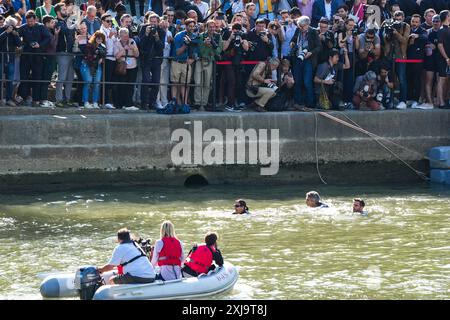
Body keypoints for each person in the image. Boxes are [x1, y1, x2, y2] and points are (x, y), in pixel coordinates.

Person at [17, 10, 51, 107]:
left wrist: (39, 45)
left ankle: (36, 99)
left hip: (37, 55)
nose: (30, 23)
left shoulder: (41, 27)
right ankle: (23, 97)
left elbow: (48, 38)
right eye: (28, 21)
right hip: (26, 55)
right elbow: (16, 36)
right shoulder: (23, 27)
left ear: (35, 19)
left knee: (37, 77)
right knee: (24, 77)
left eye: (31, 21)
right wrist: (21, 45)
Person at [290, 15, 322, 109]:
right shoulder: (298, 30)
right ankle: (298, 102)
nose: (300, 28)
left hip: (308, 60)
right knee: (297, 81)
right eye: (299, 26)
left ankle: (310, 103)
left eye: (302, 26)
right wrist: (292, 43)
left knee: (307, 82)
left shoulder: (313, 32)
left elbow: (319, 47)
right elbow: (293, 40)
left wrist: (311, 53)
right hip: (297, 58)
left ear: (308, 25)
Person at [193, 19, 222, 111]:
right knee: (198, 82)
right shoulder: (201, 36)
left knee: (207, 83)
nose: (212, 29)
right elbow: (198, 50)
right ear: (206, 27)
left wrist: (212, 45)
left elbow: (219, 50)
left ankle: (204, 102)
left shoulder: (218, 36)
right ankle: (197, 102)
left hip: (209, 61)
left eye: (214, 27)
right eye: (210, 27)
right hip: (200, 60)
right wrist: (204, 44)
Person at [139, 13, 165, 110]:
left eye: (155, 22)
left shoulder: (161, 31)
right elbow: (141, 44)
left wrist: (157, 37)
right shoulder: (143, 28)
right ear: (148, 21)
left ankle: (152, 102)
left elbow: (161, 47)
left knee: (156, 81)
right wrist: (146, 34)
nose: (153, 24)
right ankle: (144, 102)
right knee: (145, 81)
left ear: (158, 22)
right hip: (146, 59)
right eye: (151, 22)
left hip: (156, 59)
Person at [55, 2, 76, 108]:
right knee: (62, 77)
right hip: (62, 53)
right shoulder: (57, 22)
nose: (66, 11)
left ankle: (67, 99)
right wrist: (75, 24)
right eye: (63, 10)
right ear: (58, 12)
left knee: (70, 78)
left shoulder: (66, 21)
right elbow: (66, 31)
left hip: (71, 53)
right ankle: (58, 99)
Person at [114, 27, 139, 110]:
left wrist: (133, 48)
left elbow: (137, 55)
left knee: (130, 86)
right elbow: (117, 56)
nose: (126, 38)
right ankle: (121, 104)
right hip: (122, 67)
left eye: (127, 35)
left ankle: (129, 104)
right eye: (124, 36)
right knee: (122, 86)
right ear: (120, 36)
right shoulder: (117, 43)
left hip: (132, 67)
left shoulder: (132, 41)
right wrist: (124, 49)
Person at [80, 30, 106, 109]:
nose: (99, 39)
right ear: (94, 38)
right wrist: (96, 57)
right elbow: (87, 56)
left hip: (97, 66)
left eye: (101, 38)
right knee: (88, 83)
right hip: (87, 65)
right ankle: (86, 102)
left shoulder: (103, 46)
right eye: (98, 38)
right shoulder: (89, 45)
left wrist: (102, 58)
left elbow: (104, 55)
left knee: (97, 84)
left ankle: (95, 102)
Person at [0, 15, 22, 107]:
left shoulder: (14, 33)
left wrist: (15, 34)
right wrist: (6, 32)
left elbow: (19, 44)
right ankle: (0, 99)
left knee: (10, 81)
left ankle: (8, 99)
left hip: (11, 60)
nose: (12, 27)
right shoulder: (1, 30)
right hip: (1, 59)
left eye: (14, 25)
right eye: (10, 25)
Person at [437, 10, 450, 109]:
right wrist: (446, 58)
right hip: (443, 59)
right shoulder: (441, 30)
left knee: (447, 81)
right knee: (441, 80)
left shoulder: (448, 29)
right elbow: (440, 45)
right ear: (447, 17)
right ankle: (440, 102)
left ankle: (446, 100)